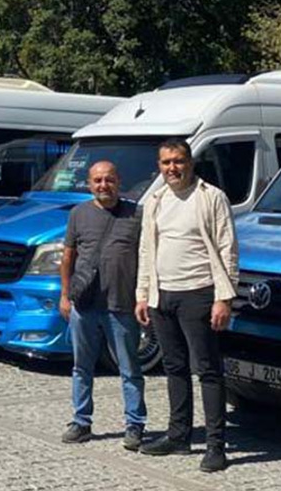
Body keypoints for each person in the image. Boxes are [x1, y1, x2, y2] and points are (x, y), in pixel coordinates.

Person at [135, 138, 238, 473]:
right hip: (163, 295)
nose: (172, 168)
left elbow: (228, 249)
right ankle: (178, 435)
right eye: (166, 163)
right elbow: (146, 250)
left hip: (199, 292)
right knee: (174, 367)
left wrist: (224, 297)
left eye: (178, 161)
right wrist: (143, 294)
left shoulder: (210, 197)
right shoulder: (156, 200)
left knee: (207, 369)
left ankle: (215, 445)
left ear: (190, 162)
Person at [58, 160, 148, 450]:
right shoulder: (78, 214)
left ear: (118, 182)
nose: (103, 185)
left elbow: (147, 257)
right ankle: (81, 421)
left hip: (122, 305)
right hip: (85, 304)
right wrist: (64, 294)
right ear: (89, 184)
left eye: (108, 179)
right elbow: (68, 257)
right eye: (97, 180)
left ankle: (135, 424)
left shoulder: (136, 214)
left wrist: (144, 297)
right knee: (81, 367)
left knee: (130, 369)